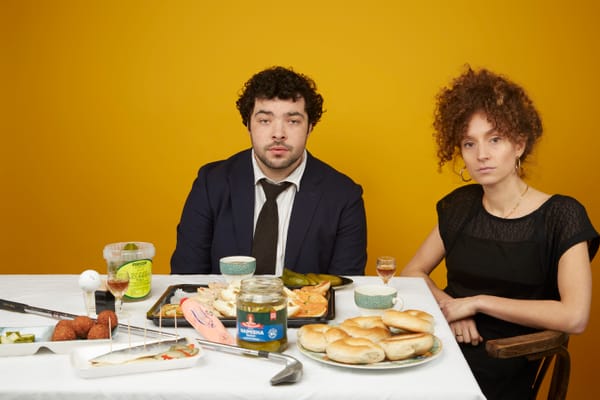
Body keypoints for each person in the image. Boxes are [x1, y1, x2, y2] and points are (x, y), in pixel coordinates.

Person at [401, 67, 599, 399]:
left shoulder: (562, 215)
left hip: (505, 359)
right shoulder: (460, 206)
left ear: (519, 144)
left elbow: (575, 316)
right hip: (442, 346)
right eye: (469, 143)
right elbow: (413, 271)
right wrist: (451, 308)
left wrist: (476, 304)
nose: (482, 154)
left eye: (495, 139)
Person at [171, 66, 367, 276]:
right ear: (248, 124)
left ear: (310, 126)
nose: (278, 134)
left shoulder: (344, 195)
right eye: (265, 120)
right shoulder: (211, 183)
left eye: (293, 121)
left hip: (310, 309)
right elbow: (187, 277)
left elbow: (344, 286)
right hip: (222, 308)